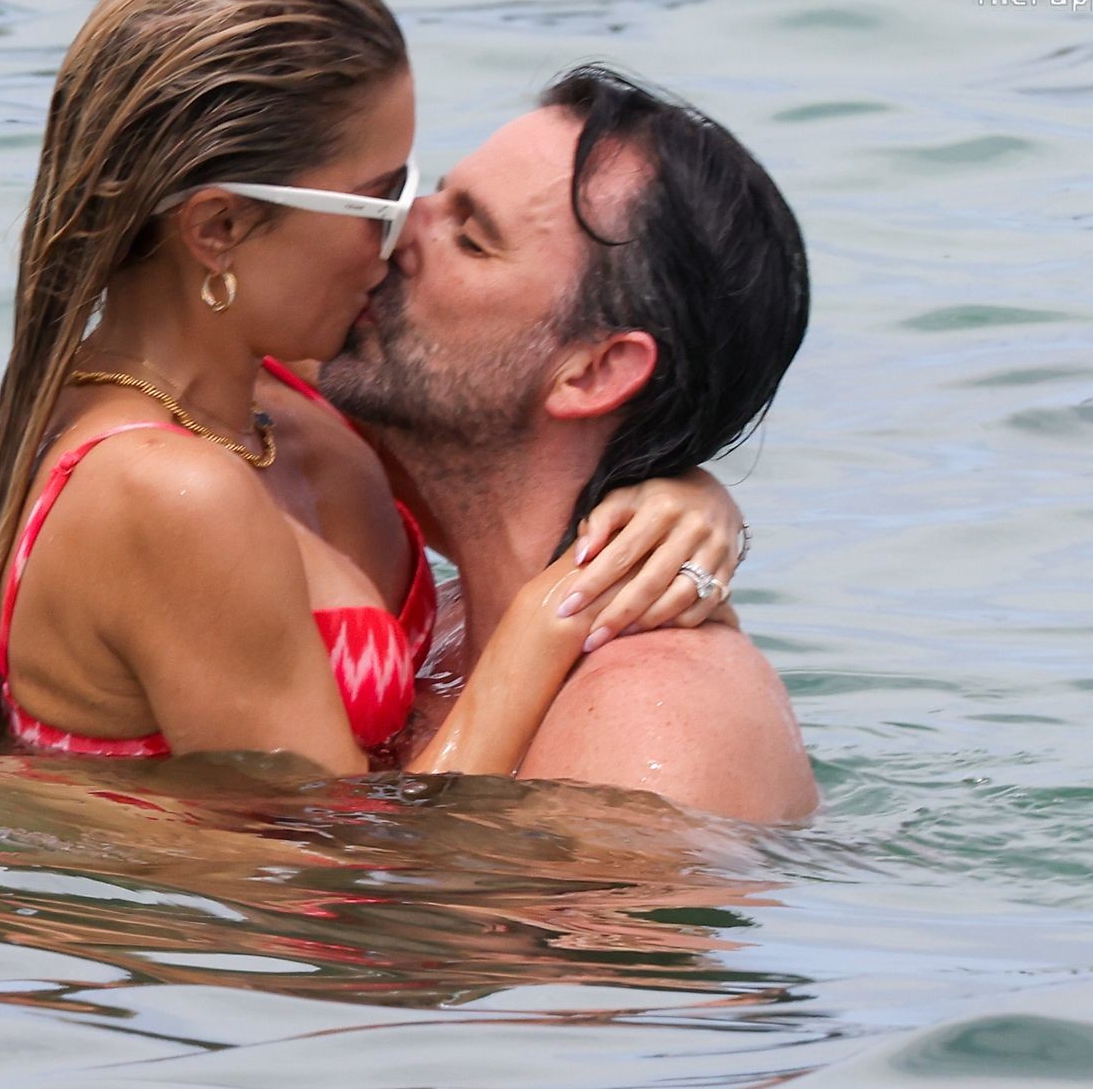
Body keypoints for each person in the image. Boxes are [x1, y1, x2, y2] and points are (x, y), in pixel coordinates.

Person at [0, 0, 745, 777]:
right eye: (377, 201)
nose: (405, 232)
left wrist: (688, 496)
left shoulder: (278, 392)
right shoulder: (167, 492)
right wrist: (546, 625)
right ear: (219, 229)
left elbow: (508, 476)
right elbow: (330, 848)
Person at [318, 65, 820, 824]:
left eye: (470, 238)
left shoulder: (651, 709)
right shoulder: (433, 625)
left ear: (593, 372)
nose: (394, 226)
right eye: (435, 195)